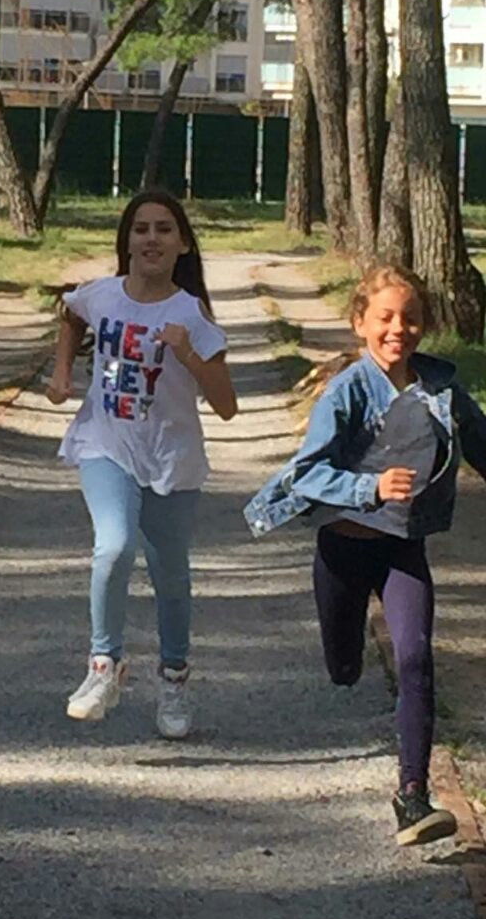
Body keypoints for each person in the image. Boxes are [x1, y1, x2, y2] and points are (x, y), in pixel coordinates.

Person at [245, 264, 486, 847]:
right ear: (361, 323)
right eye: (386, 317)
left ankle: (413, 797)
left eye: (411, 318)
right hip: (342, 547)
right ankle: (348, 662)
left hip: (403, 548)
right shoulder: (348, 391)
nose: (398, 329)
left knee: (415, 659)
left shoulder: (442, 390)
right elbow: (307, 474)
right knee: (345, 668)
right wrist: (368, 488)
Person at [45, 189, 237, 738]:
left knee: (169, 575)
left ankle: (174, 678)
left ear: (183, 245)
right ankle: (103, 666)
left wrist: (188, 354)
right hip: (106, 445)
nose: (151, 239)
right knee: (113, 545)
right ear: (126, 241)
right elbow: (70, 312)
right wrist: (63, 372)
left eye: (164, 229)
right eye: (141, 229)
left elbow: (226, 405)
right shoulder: (103, 296)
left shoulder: (191, 315)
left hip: (171, 458)